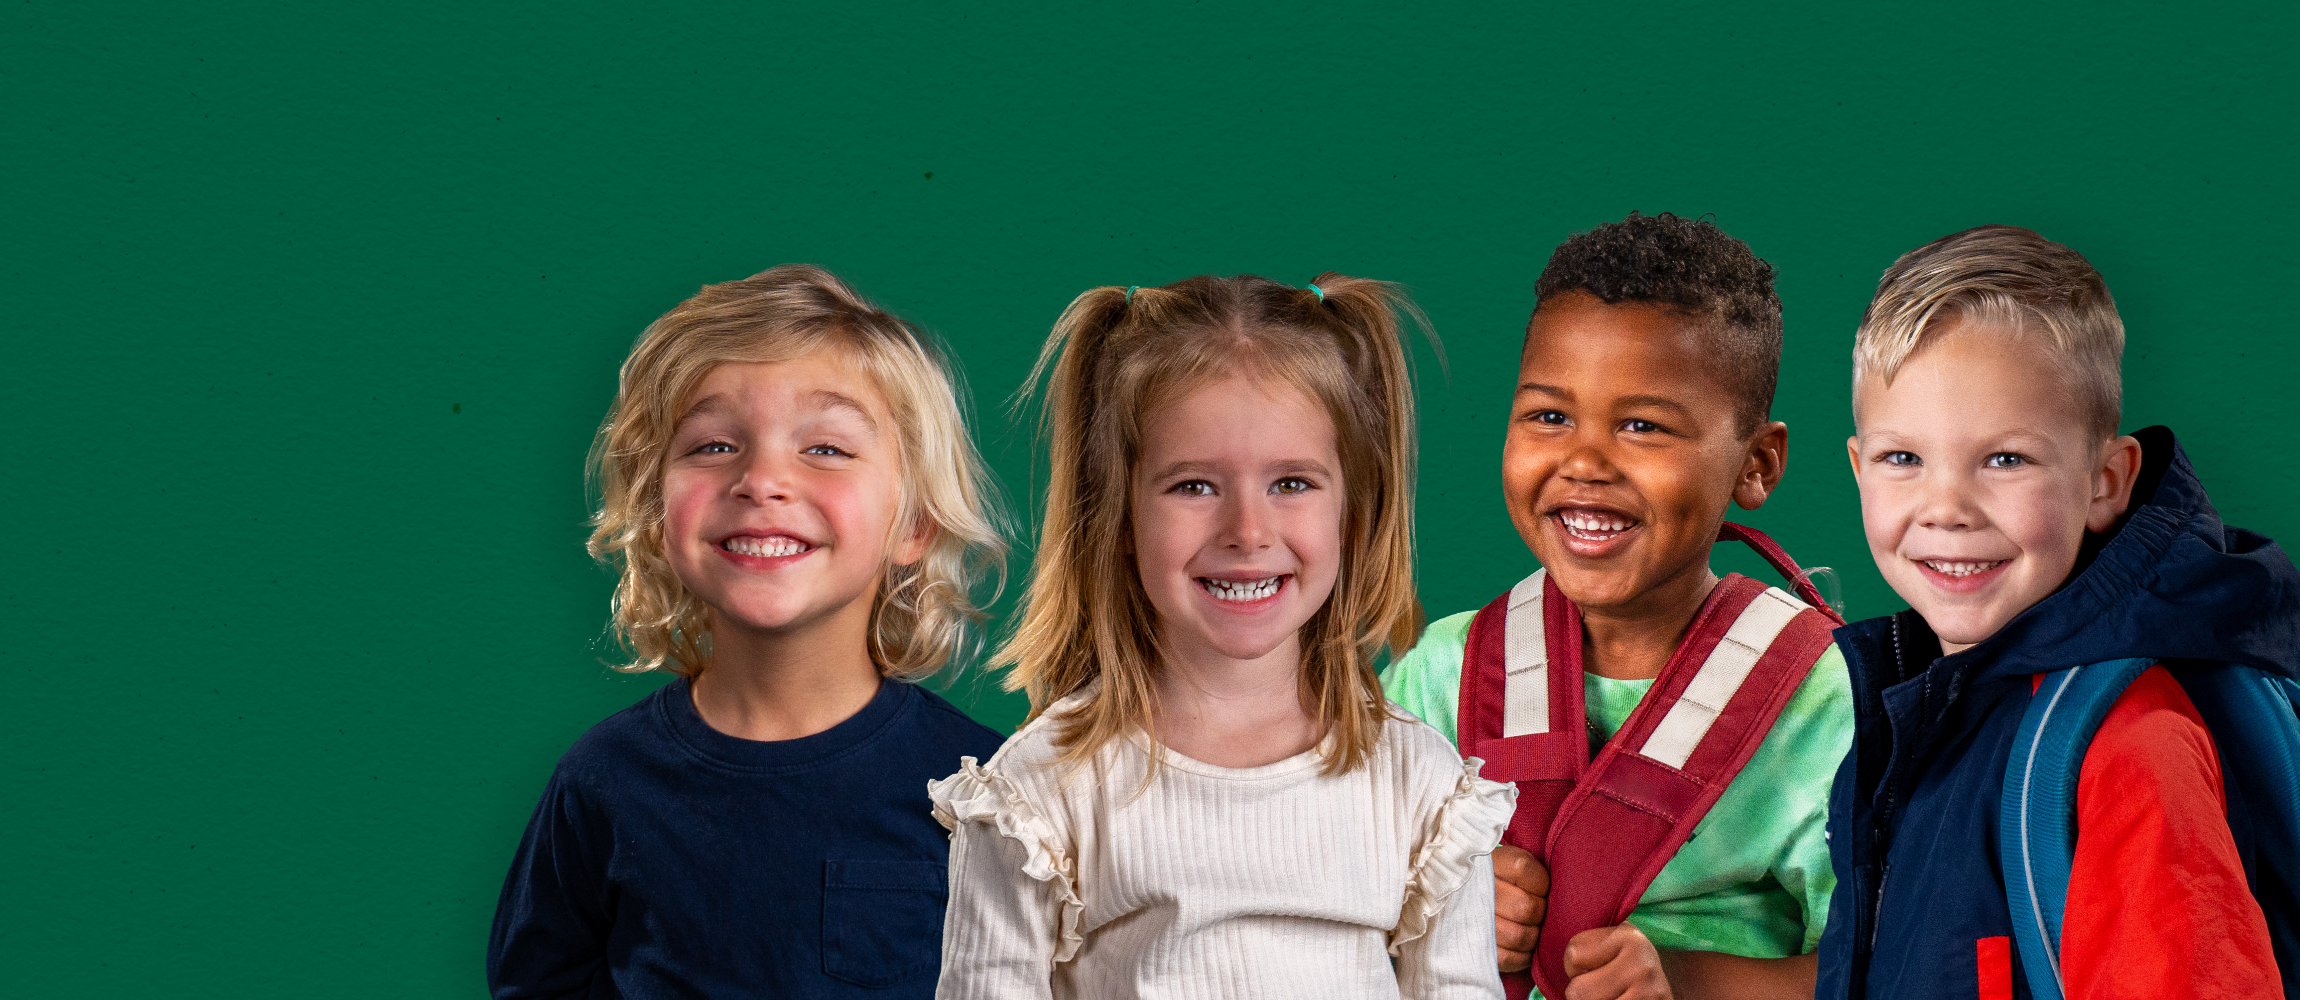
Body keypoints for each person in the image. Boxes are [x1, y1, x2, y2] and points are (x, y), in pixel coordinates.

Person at [932, 274, 1516, 999]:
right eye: (1194, 486)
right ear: (1117, 516)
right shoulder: (1040, 793)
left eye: (1292, 483)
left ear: (1354, 513)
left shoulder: (1419, 782)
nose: (1247, 530)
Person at [487, 264, 1009, 998]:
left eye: (826, 448)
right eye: (713, 446)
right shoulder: (600, 783)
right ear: (655, 509)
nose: (762, 479)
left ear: (915, 521)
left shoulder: (986, 790)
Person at [1383, 212, 1852, 1000]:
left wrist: (1686, 979)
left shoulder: (1827, 705)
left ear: (1757, 464)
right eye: (1548, 416)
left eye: (1643, 425)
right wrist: (1435, 906)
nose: (1585, 460)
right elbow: (1330, 909)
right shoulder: (1440, 675)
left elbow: (1883, 967)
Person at [1815, 225, 2290, 1000]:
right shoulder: (1923, 714)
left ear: (2106, 480)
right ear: (1858, 468)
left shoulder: (2129, 747)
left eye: (2006, 459)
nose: (1946, 507)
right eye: (1904, 458)